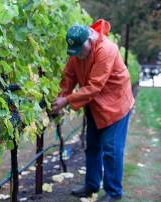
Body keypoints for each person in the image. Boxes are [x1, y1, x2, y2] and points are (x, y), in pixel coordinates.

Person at [52, 19, 135, 202]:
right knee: (93, 147)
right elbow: (69, 76)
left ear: (89, 41)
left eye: (80, 51)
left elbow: (95, 86)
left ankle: (114, 192)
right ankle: (91, 185)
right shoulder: (77, 52)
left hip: (116, 104)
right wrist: (61, 96)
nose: (77, 56)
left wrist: (66, 100)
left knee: (111, 149)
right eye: (74, 53)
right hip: (95, 104)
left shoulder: (106, 50)